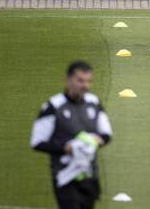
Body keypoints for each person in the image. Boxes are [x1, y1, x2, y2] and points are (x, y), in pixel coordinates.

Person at [30, 61, 113, 209]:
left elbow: (106, 134)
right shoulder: (53, 106)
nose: (85, 86)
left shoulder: (93, 103)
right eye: (80, 80)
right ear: (68, 80)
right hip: (65, 176)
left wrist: (98, 140)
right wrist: (65, 148)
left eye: (88, 81)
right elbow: (37, 142)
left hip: (89, 176)